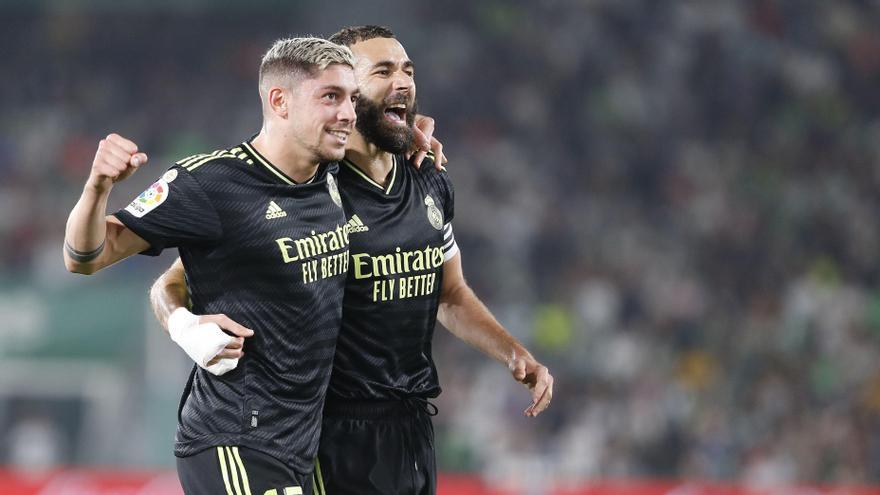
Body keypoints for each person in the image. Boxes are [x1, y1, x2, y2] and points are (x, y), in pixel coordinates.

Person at [151, 27, 554, 495]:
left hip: (411, 425)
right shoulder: (308, 190)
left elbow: (449, 293)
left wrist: (513, 353)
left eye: (407, 70)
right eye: (382, 71)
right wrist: (183, 325)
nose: (402, 82)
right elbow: (170, 283)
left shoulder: (428, 180)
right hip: (326, 430)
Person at [64, 37, 360, 495]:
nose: (348, 113)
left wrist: (416, 132)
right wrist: (97, 186)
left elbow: (178, 276)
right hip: (236, 439)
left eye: (352, 98)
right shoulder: (210, 183)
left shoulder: (333, 177)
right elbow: (86, 257)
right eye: (331, 97)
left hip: (302, 443)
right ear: (279, 101)